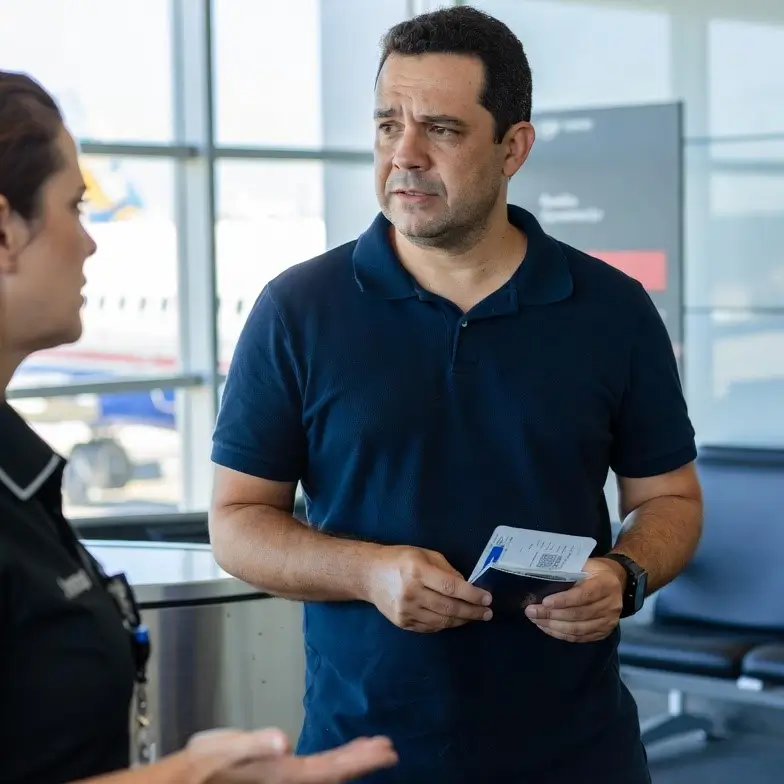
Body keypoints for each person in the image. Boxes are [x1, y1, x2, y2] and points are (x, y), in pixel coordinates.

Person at [209, 6, 703, 783]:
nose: (403, 154)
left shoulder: (612, 308)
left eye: (440, 128)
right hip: (365, 758)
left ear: (514, 147)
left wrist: (623, 574)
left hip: (577, 755)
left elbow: (671, 499)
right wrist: (368, 573)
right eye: (386, 124)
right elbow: (236, 523)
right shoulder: (298, 309)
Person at [0, 69, 398, 784]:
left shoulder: (21, 478)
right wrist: (185, 777)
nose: (90, 244)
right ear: (4, 233)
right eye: (74, 206)